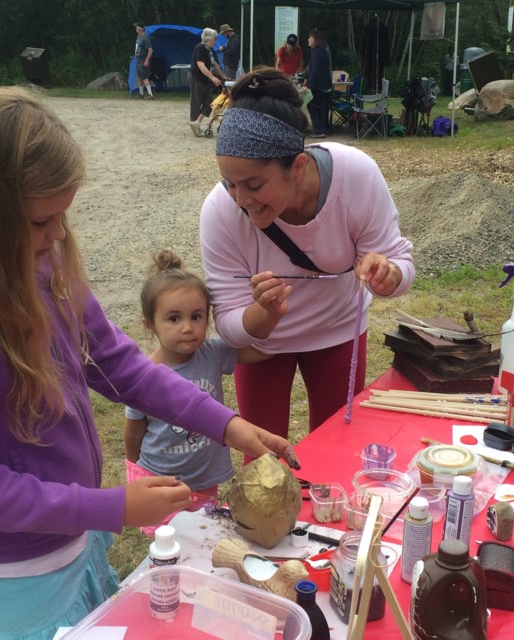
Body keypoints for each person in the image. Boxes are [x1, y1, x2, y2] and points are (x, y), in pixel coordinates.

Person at [0, 86, 298, 639]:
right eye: (41, 222)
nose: (60, 235)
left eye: (64, 215)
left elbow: (121, 366)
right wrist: (109, 506)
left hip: (70, 541)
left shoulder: (45, 266)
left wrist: (225, 424)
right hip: (7, 576)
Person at [199, 67, 415, 458]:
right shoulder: (219, 211)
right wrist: (263, 315)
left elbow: (400, 262)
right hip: (263, 347)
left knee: (336, 452)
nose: (240, 199)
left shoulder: (356, 176)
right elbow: (230, 326)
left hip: (337, 333)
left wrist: (389, 274)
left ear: (297, 167)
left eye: (254, 185)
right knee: (262, 461)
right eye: (230, 183)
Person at [124, 249, 272, 536]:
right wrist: (135, 470)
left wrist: (269, 315)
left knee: (203, 535)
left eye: (197, 316)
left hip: (206, 476)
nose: (188, 328)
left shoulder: (212, 353)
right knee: (168, 544)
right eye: (174, 319)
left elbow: (259, 352)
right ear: (150, 324)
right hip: (162, 480)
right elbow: (134, 429)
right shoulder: (143, 374)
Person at [189, 28, 227, 137]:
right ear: (209, 39)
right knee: (197, 101)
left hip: (205, 78)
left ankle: (196, 123)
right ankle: (195, 124)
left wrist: (222, 76)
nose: (216, 40)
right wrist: (213, 78)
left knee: (210, 103)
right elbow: (201, 65)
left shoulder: (210, 50)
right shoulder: (200, 48)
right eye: (215, 38)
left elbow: (214, 64)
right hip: (197, 78)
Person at [303, 29, 332, 138]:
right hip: (326, 85)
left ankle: (319, 130)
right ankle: (324, 128)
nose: (308, 39)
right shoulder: (324, 51)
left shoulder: (316, 52)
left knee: (313, 106)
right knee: (323, 108)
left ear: (315, 39)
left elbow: (315, 71)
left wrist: (308, 84)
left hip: (318, 86)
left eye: (310, 37)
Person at [133, 22, 154, 99]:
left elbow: (150, 50)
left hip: (143, 61)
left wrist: (146, 60)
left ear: (141, 29)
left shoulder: (146, 38)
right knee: (139, 78)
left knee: (144, 78)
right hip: (138, 60)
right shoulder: (138, 36)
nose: (135, 28)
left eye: (137, 27)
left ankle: (150, 94)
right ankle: (141, 94)